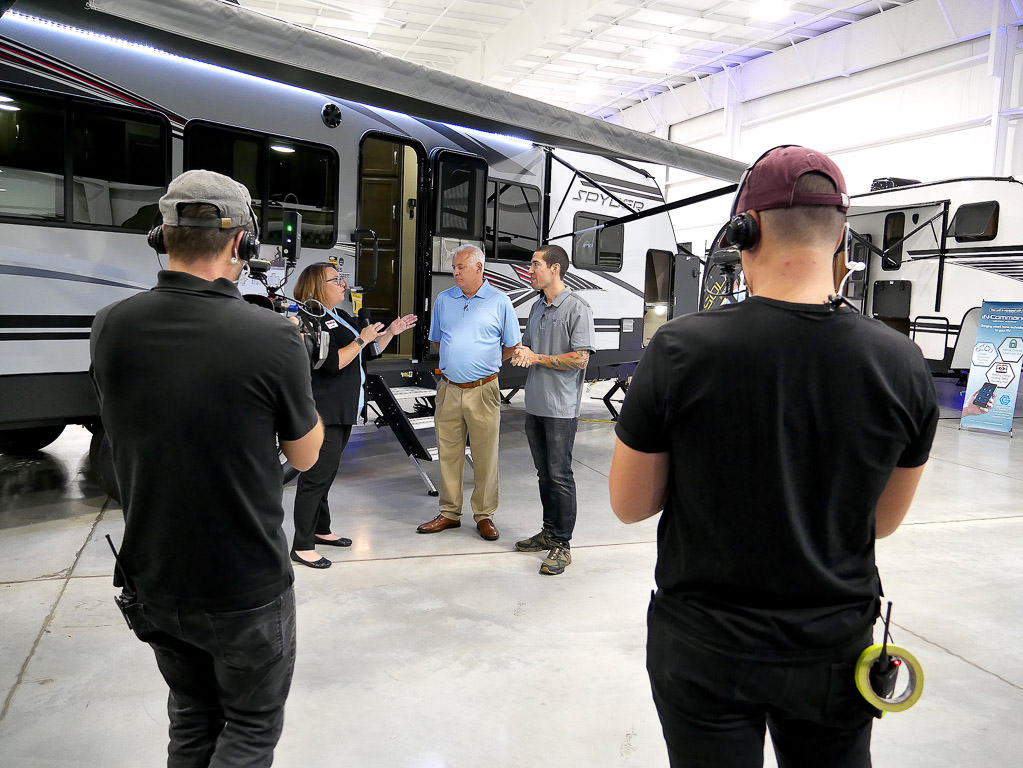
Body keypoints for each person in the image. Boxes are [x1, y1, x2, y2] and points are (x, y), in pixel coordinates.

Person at [608, 146, 939, 768]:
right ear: (841, 239)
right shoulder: (901, 364)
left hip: (705, 647)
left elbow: (630, 505)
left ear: (746, 231)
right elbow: (881, 522)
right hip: (833, 653)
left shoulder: (679, 349)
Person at [90, 169, 324, 767]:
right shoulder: (272, 336)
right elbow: (305, 455)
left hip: (155, 578)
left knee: (192, 719)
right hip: (242, 585)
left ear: (161, 237)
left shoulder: (111, 325)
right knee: (250, 728)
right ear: (242, 242)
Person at [290, 262, 416, 568]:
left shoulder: (340, 316)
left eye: (341, 279)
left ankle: (321, 529)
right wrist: (362, 339)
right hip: (324, 411)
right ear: (317, 286)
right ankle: (302, 545)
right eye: (336, 280)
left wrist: (390, 333)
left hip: (344, 409)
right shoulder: (310, 319)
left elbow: (368, 353)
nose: (343, 284)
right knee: (315, 477)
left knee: (327, 473)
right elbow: (333, 362)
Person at [417, 245, 521, 541]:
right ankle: (449, 512)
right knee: (448, 453)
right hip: (449, 389)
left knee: (485, 455)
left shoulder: (500, 301)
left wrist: (485, 363)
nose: (455, 272)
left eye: (460, 267)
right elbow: (437, 341)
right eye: (454, 267)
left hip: (483, 390)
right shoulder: (443, 300)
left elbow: (512, 345)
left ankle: (484, 515)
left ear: (479, 268)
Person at [510, 244, 595, 575]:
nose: (530, 271)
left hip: (561, 407)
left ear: (555, 268)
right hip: (535, 404)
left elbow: (580, 358)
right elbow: (530, 347)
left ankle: (562, 544)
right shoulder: (536, 307)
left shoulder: (577, 308)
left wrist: (537, 358)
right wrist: (522, 352)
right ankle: (548, 532)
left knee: (560, 475)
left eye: (535, 265)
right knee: (544, 473)